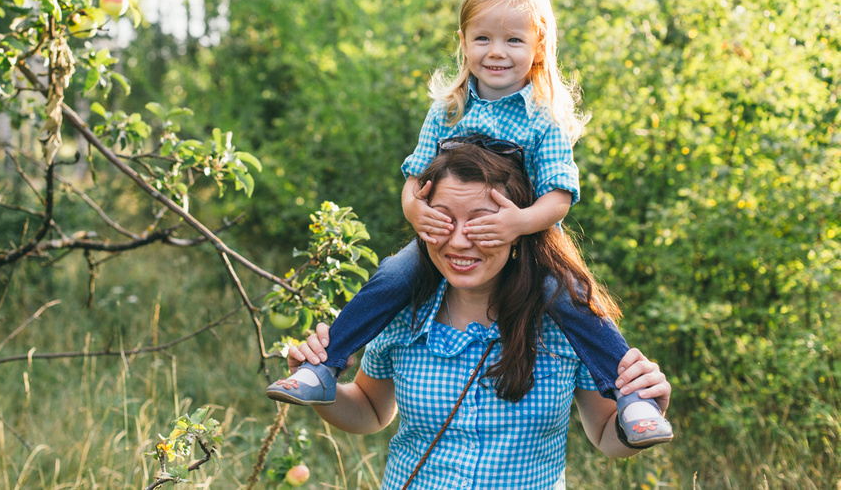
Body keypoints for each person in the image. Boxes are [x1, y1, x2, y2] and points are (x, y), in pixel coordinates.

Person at [266, 0, 672, 446]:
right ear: (463, 41)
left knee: (572, 298)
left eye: (513, 41)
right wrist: (417, 212)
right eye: (482, 38)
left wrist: (518, 223)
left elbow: (560, 196)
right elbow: (414, 179)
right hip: (435, 231)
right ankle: (323, 369)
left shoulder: (542, 117)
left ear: (539, 45)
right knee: (391, 276)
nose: (496, 52)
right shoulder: (449, 108)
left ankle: (630, 397)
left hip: (534, 237)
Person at [285, 144, 672, 489]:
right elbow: (370, 410)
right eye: (442, 219)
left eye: (482, 222)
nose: (458, 241)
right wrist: (323, 387)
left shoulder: (568, 322)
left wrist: (646, 406)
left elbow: (607, 434)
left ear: (521, 226)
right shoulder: (404, 312)